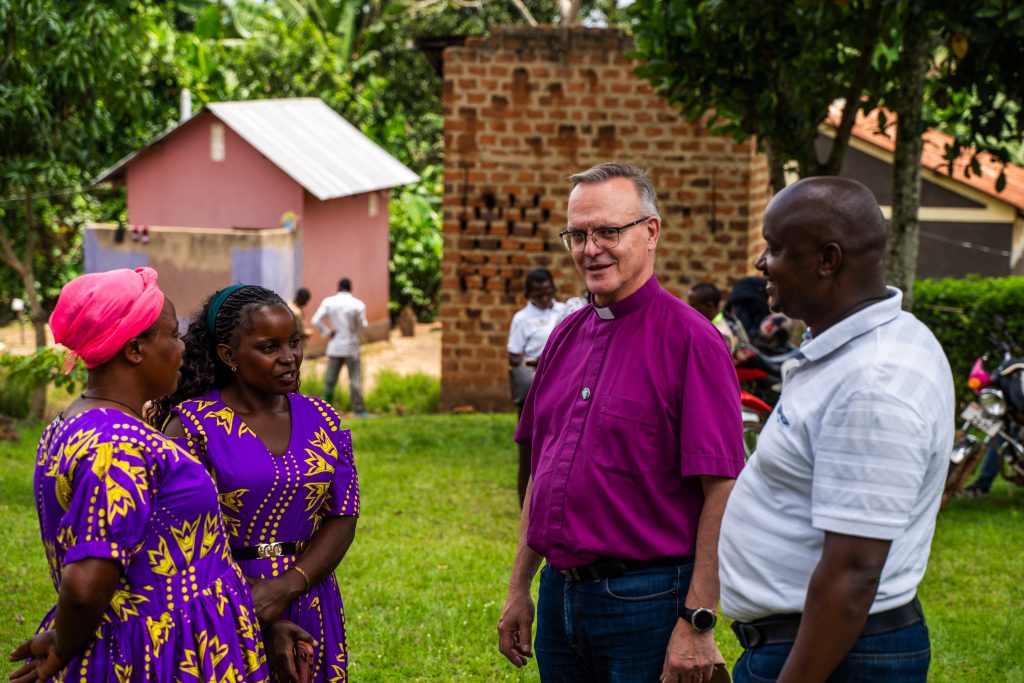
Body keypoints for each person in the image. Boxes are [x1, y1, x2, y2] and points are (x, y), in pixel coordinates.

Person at [497, 162, 745, 683]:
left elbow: (722, 489)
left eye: (608, 231)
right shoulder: (564, 335)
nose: (590, 249)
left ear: (650, 232)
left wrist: (698, 620)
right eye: (578, 235)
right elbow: (543, 473)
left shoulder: (692, 341)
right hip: (561, 599)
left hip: (647, 603)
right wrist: (520, 587)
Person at [718, 177, 955, 683]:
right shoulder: (861, 346)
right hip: (819, 645)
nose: (762, 262)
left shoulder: (872, 382)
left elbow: (854, 573)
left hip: (833, 656)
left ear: (828, 260)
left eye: (775, 248)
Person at [9, 268, 280, 683]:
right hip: (157, 653)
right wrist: (63, 644)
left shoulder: (77, 423)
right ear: (135, 349)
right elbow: (86, 584)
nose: (183, 349)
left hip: (173, 638)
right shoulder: (116, 447)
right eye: (172, 336)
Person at [151, 284, 360, 683]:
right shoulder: (192, 426)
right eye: (269, 347)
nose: (289, 358)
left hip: (309, 591)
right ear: (229, 355)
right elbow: (183, 536)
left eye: (294, 342)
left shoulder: (323, 418)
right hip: (218, 597)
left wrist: (289, 585)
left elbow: (343, 514)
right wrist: (251, 601)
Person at [507, 268, 566, 507]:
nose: (544, 297)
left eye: (548, 292)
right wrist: (538, 363)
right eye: (538, 294)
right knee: (530, 445)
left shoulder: (564, 311)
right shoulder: (522, 318)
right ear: (528, 294)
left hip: (562, 382)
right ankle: (526, 502)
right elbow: (513, 355)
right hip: (536, 383)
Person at [311, 278, 368, 416]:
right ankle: (358, 410)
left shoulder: (329, 302)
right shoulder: (357, 304)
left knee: (330, 380)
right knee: (355, 380)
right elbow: (363, 326)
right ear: (350, 288)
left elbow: (315, 320)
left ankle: (326, 409)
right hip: (351, 346)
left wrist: (327, 332)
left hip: (335, 346)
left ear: (338, 288)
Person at [688, 282, 749, 354]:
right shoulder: (707, 323)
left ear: (709, 305)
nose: (690, 309)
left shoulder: (725, 331)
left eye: (694, 306)